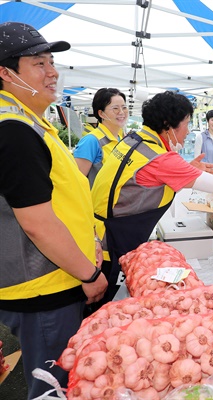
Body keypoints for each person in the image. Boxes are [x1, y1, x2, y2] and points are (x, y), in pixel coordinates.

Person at [91, 91, 213, 308]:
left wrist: (187, 169)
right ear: (168, 125)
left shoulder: (134, 139)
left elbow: (142, 178)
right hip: (111, 244)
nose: (188, 131)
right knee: (103, 308)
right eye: (186, 123)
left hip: (97, 233)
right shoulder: (160, 158)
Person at [0, 22, 108, 398]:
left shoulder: (31, 123)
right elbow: (37, 225)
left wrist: (88, 241)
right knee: (53, 388)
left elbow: (63, 198)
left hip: (54, 279)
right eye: (39, 63)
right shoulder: (13, 130)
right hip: (43, 288)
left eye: (52, 62)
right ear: (5, 73)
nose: (52, 72)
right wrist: (89, 272)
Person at [73, 88, 127, 186]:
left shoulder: (120, 138)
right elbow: (76, 182)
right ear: (101, 113)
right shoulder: (91, 141)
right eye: (115, 108)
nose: (121, 112)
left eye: (124, 107)